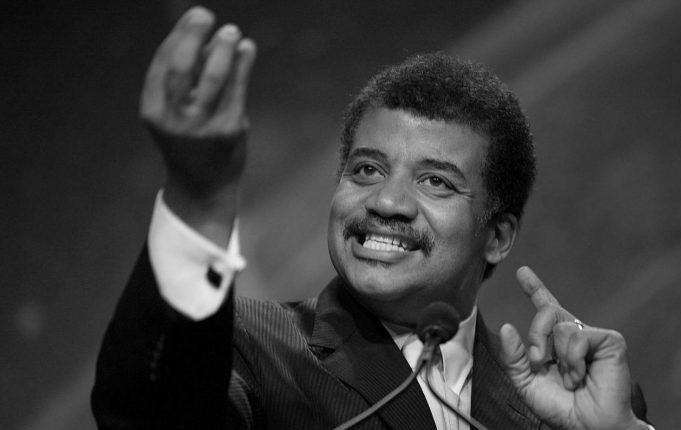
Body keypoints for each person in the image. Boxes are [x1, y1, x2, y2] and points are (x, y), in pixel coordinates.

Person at [92, 6, 652, 430]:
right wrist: (199, 200)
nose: (386, 202)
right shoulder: (250, 348)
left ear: (498, 236)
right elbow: (151, 414)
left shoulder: (567, 403)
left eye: (435, 181)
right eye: (366, 169)